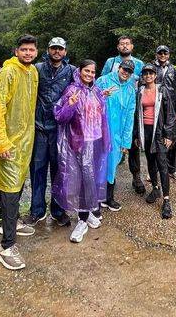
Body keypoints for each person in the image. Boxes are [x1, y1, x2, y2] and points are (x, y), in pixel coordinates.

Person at [0, 34, 39, 270]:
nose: (27, 53)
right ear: (16, 51)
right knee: (11, 188)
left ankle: (8, 223)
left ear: (36, 52)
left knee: (13, 183)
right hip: (9, 141)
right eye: (23, 49)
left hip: (24, 139)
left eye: (31, 50)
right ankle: (6, 247)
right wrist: (1, 142)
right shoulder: (9, 72)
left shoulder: (32, 72)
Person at [53, 60, 110, 243]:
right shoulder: (72, 90)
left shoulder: (96, 91)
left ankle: (88, 212)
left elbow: (101, 117)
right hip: (80, 143)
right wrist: (69, 104)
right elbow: (60, 117)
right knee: (82, 180)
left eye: (93, 72)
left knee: (92, 179)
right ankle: (82, 220)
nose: (90, 74)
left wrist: (103, 95)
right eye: (87, 71)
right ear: (79, 71)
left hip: (96, 142)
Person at [23, 37, 75, 227]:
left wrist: (101, 94)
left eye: (60, 49)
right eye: (54, 48)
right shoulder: (36, 69)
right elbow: (18, 79)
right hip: (38, 128)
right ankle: (37, 211)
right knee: (37, 171)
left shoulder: (71, 71)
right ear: (47, 50)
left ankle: (58, 210)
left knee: (59, 173)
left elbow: (85, 86)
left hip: (60, 131)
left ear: (65, 52)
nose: (57, 52)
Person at [101, 35, 145, 195]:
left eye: (127, 44)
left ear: (132, 46)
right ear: (118, 46)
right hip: (111, 110)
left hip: (132, 107)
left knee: (133, 142)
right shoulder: (110, 62)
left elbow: (146, 83)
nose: (125, 46)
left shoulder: (139, 64)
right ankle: (108, 180)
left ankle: (136, 176)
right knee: (109, 143)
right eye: (122, 44)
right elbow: (101, 80)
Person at [134, 63, 176, 219]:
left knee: (162, 164)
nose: (148, 76)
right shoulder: (139, 92)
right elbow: (136, 114)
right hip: (144, 130)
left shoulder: (162, 90)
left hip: (159, 131)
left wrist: (169, 135)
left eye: (151, 73)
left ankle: (166, 200)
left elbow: (170, 114)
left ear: (155, 75)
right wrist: (136, 136)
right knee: (150, 162)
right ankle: (155, 188)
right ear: (143, 76)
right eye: (145, 74)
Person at [96, 59, 137, 211]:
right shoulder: (103, 81)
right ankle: (95, 199)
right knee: (97, 164)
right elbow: (90, 100)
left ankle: (108, 198)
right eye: (124, 69)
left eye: (129, 71)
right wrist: (102, 95)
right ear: (118, 68)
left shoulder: (131, 90)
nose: (125, 73)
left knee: (111, 165)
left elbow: (130, 116)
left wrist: (126, 142)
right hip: (99, 131)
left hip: (117, 135)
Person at [154, 45, 176, 181]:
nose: (162, 55)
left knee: (173, 137)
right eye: (160, 53)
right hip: (155, 108)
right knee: (157, 137)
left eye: (165, 53)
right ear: (156, 54)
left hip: (172, 109)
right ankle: (154, 169)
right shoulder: (151, 69)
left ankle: (172, 168)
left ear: (168, 55)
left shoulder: (174, 70)